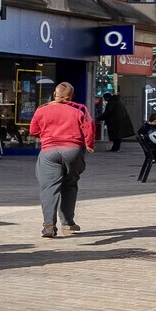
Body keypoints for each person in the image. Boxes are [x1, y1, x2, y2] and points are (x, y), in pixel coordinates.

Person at [27, 81, 95, 238]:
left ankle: (49, 226)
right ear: (71, 96)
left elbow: (33, 130)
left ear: (54, 94)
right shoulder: (79, 109)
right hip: (73, 150)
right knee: (70, 184)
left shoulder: (42, 109)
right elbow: (89, 127)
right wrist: (89, 145)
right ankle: (68, 222)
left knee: (49, 188)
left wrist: (48, 136)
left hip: (49, 151)